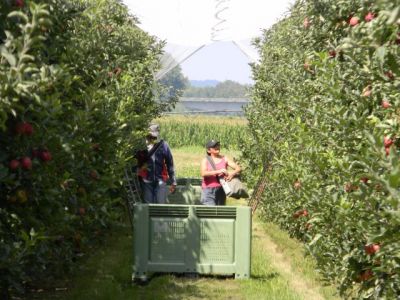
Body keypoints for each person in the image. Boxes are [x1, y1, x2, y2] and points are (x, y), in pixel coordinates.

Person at [136, 124, 177, 204]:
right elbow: (136, 161)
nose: (153, 138)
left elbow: (170, 163)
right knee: (148, 206)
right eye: (151, 135)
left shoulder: (163, 145)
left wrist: (173, 181)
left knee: (160, 205)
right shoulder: (142, 145)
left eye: (155, 135)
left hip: (160, 179)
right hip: (146, 179)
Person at [200, 140, 241, 206]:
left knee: (219, 213)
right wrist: (219, 171)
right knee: (210, 213)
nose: (217, 147)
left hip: (221, 189)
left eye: (218, 145)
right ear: (209, 150)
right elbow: (203, 173)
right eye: (214, 146)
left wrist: (232, 174)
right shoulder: (205, 160)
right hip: (208, 190)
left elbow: (238, 168)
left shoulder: (224, 158)